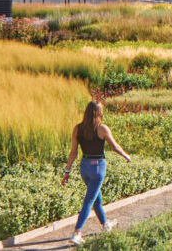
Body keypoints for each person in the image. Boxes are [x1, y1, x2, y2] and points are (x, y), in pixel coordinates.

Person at [62, 101, 131, 245]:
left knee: (95, 197)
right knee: (89, 200)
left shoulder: (77, 129)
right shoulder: (102, 129)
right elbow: (115, 146)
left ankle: (105, 225)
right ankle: (77, 233)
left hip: (85, 168)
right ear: (99, 113)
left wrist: (67, 171)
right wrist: (126, 155)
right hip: (98, 167)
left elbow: (73, 153)